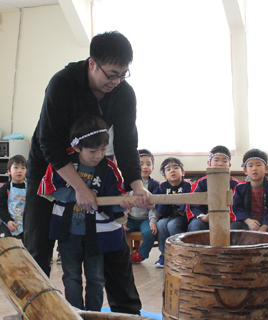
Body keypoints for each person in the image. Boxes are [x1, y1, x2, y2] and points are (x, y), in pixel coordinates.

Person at [23, 31, 146, 314]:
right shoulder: (62, 84)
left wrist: (137, 185)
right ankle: (35, 311)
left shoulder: (123, 93)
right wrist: (79, 187)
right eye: (111, 74)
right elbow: (49, 144)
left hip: (97, 164)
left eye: (123, 75)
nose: (116, 82)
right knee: (38, 242)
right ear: (92, 63)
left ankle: (127, 312)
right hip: (50, 169)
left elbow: (127, 143)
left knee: (113, 239)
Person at [38, 115, 125, 311]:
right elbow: (49, 187)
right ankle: (74, 313)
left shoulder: (110, 168)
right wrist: (75, 193)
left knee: (96, 278)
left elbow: (117, 197)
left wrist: (127, 205)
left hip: (97, 235)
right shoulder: (63, 163)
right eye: (92, 151)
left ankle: (94, 314)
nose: (98, 155)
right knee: (71, 276)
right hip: (68, 232)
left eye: (103, 149)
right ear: (77, 148)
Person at [187, 145, 240, 231]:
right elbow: (193, 205)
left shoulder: (235, 184)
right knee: (195, 225)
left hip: (229, 219)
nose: (220, 164)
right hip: (205, 219)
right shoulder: (201, 183)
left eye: (224, 161)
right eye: (216, 160)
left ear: (229, 165)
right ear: (209, 163)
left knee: (236, 227)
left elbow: (238, 206)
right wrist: (204, 217)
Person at [232, 149, 268, 235]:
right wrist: (248, 221)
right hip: (247, 222)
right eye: (251, 166)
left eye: (258, 165)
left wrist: (263, 228)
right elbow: (236, 208)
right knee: (233, 229)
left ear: (266, 169)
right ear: (245, 170)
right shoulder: (239, 188)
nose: (254, 169)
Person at [155, 157, 194, 268]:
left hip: (183, 216)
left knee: (172, 225)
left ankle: (180, 253)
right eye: (168, 170)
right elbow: (160, 206)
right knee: (161, 224)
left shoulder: (188, 185)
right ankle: (164, 254)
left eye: (176, 168)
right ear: (164, 175)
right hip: (169, 215)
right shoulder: (162, 187)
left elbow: (188, 204)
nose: (172, 171)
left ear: (183, 172)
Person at [127, 149, 161, 263]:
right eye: (141, 164)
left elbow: (155, 205)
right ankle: (122, 255)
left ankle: (141, 255)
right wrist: (122, 219)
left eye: (148, 164)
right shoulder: (128, 182)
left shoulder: (155, 184)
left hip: (145, 219)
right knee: (118, 230)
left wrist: (153, 221)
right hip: (130, 218)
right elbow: (123, 201)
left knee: (149, 233)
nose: (145, 167)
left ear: (153, 168)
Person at [0, 155, 27, 239]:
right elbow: (1, 208)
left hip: (26, 225)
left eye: (23, 168)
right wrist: (8, 221)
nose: (19, 171)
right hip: (9, 223)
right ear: (9, 171)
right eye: (15, 168)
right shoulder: (5, 189)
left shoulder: (30, 188)